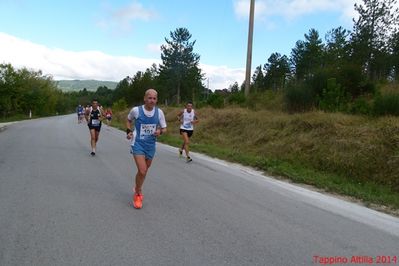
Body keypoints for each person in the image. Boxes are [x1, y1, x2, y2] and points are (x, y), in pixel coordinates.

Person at [126, 89, 167, 209]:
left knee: (144, 171)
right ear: (145, 98)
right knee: (142, 170)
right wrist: (129, 131)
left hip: (151, 145)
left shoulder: (159, 113)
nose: (152, 100)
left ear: (156, 100)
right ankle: (138, 193)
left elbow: (164, 128)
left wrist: (160, 131)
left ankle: (137, 186)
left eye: (154, 98)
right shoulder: (136, 111)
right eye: (150, 98)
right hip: (137, 143)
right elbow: (128, 120)